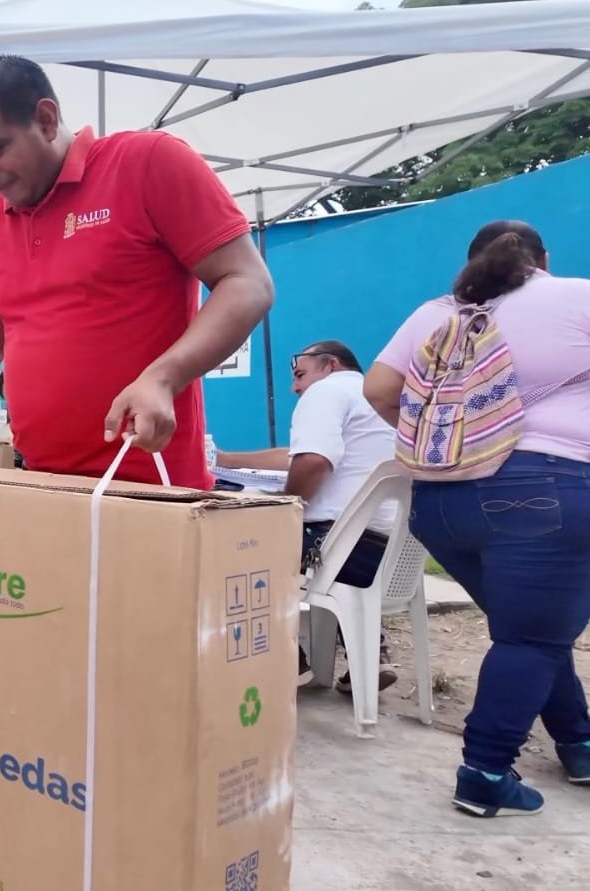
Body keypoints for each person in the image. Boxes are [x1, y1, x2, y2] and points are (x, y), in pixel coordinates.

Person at [0, 55, 272, 487]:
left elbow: (247, 282)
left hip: (149, 487)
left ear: (46, 119)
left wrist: (164, 377)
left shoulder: (146, 163)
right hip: (43, 483)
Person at [364, 220, 590, 817]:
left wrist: (456, 442)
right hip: (544, 489)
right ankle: (486, 772)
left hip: (440, 503)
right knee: (532, 637)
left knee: (530, 630)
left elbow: (379, 389)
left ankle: (579, 742)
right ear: (544, 259)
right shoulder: (578, 297)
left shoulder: (433, 313)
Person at [217, 340, 397, 692]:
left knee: (230, 546)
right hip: (388, 550)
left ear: (330, 365)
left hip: (342, 547)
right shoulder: (380, 401)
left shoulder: (327, 391)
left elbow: (313, 461)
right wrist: (225, 459)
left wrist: (286, 503)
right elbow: (297, 456)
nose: (295, 387)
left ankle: (287, 658)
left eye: (300, 374)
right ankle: (372, 653)